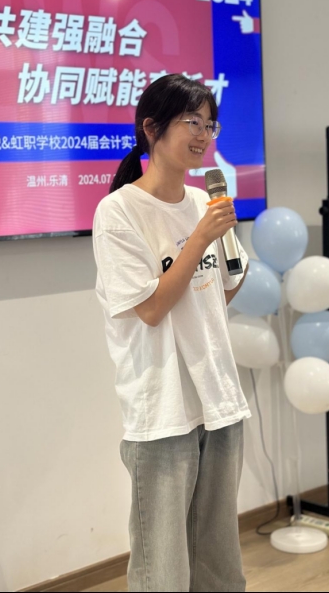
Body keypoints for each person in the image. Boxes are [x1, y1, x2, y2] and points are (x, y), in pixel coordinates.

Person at [93, 73, 251, 592]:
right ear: (152, 128)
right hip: (162, 410)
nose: (204, 135)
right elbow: (153, 308)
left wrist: (226, 245)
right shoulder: (119, 212)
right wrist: (199, 238)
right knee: (162, 570)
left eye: (210, 124)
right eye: (191, 122)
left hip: (218, 400)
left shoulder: (203, 203)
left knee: (219, 563)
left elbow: (217, 295)